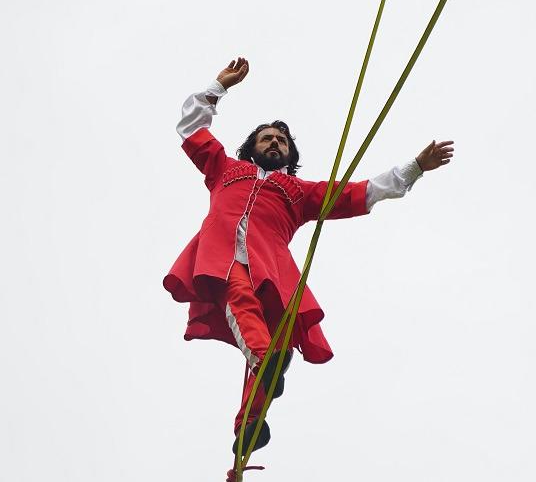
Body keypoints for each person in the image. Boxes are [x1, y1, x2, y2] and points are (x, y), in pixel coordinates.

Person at [163, 57, 453, 452]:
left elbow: (361, 193)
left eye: (281, 142)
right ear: (252, 148)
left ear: (289, 155)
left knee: (278, 336)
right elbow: (192, 128)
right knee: (243, 305)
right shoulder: (224, 169)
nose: (274, 144)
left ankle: (249, 421)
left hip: (272, 269)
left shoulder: (300, 194)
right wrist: (218, 86)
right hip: (224, 256)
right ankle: (265, 360)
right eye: (266, 138)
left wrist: (415, 167)